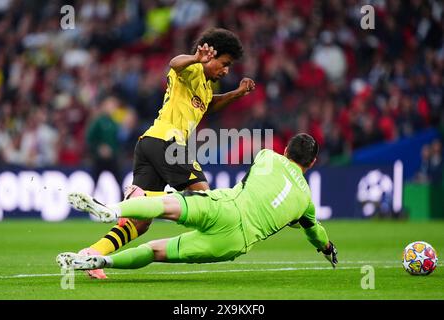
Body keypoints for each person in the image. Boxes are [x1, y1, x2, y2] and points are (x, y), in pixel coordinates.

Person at [78, 28, 256, 278]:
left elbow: (210, 105)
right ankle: (122, 210)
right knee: (204, 199)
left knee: (139, 223)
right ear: (210, 55)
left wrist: (237, 93)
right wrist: (195, 58)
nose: (226, 70)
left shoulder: (203, 86)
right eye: (224, 63)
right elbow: (175, 63)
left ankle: (92, 254)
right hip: (169, 144)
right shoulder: (192, 69)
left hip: (150, 143)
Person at [57, 134, 338, 273]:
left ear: (286, 150)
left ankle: (113, 210)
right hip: (234, 242)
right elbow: (315, 232)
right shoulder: (306, 203)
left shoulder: (267, 156)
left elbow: (264, 177)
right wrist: (326, 248)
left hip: (226, 206)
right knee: (154, 251)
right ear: (312, 163)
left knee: (167, 205)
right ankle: (103, 261)